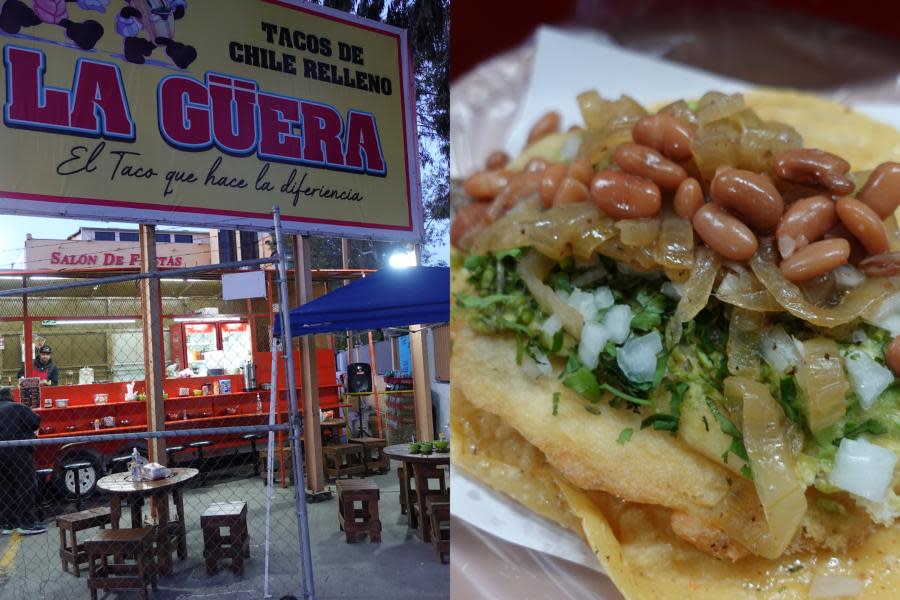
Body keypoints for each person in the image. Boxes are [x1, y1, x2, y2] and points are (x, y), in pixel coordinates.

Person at [0, 386, 46, 535]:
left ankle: (8, 523)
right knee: (25, 486)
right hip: (20, 452)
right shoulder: (18, 408)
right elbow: (36, 421)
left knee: (5, 488)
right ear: (10, 395)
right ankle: (26, 523)